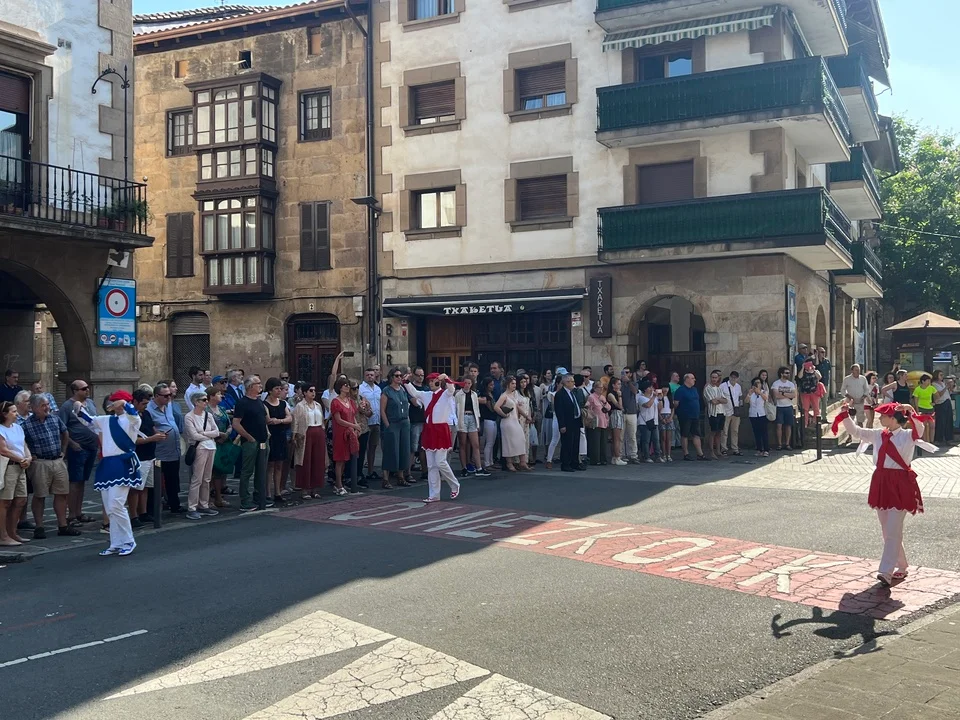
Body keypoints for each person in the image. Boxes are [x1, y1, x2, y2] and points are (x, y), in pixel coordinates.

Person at [834, 401, 934, 586]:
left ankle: (885, 571)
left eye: (883, 416)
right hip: (881, 482)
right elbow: (856, 431)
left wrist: (911, 410)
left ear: (893, 418)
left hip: (900, 484)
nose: (879, 418)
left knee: (893, 528)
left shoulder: (908, 435)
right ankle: (902, 565)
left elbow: (919, 429)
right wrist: (845, 414)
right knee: (888, 530)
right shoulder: (878, 434)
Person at [89, 391, 142, 556]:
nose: (112, 405)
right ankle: (116, 542)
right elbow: (87, 420)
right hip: (108, 464)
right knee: (109, 507)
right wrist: (78, 407)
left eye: (115, 402)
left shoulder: (132, 419)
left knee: (116, 505)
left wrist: (124, 404)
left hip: (122, 464)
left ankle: (129, 541)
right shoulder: (107, 420)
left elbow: (134, 415)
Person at [22, 394, 78, 539]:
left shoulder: (54, 419)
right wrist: (29, 454)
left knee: (62, 493)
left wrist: (63, 450)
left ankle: (63, 525)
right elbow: (22, 442)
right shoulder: (26, 425)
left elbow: (65, 432)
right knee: (40, 495)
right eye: (43, 405)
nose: (47, 407)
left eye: (47, 404)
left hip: (57, 460)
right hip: (40, 463)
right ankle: (39, 527)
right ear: (34, 408)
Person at [404, 372, 461, 502]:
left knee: (440, 462)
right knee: (431, 465)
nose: (431, 383)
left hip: (441, 430)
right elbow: (414, 392)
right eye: (429, 381)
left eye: (433, 380)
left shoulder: (446, 394)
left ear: (438, 382)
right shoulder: (427, 395)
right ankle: (434, 494)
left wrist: (446, 378)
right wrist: (406, 382)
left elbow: (451, 389)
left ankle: (454, 484)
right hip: (429, 430)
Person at [60, 380, 99, 525]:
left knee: (82, 481)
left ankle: (78, 512)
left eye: (87, 388)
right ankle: (71, 515)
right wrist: (71, 443)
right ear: (75, 391)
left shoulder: (91, 403)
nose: (87, 390)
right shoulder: (67, 406)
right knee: (75, 481)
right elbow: (62, 428)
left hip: (91, 446)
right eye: (83, 389)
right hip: (78, 447)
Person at [233, 376, 273, 511]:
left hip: (263, 441)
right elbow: (236, 423)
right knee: (247, 471)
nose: (260, 386)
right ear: (250, 387)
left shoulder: (259, 401)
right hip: (251, 441)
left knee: (261, 470)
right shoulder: (242, 403)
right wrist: (248, 437)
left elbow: (264, 419)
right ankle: (245, 500)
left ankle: (259, 496)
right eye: (258, 383)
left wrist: (267, 432)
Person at [130, 387, 166, 527]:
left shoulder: (146, 414)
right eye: (143, 403)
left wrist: (159, 434)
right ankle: (134, 515)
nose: (145, 406)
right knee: (136, 488)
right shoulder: (130, 418)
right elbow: (133, 439)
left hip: (150, 455)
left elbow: (152, 428)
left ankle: (143, 512)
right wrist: (152, 438)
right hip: (139, 456)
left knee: (146, 486)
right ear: (135, 402)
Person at [183, 390, 221, 520]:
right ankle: (192, 507)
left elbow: (216, 432)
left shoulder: (208, 415)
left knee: (207, 478)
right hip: (199, 448)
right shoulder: (189, 417)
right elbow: (193, 435)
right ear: (196, 402)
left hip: (211, 447)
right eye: (204, 400)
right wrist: (208, 435)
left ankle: (204, 504)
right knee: (197, 478)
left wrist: (204, 434)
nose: (206, 402)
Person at [147, 383, 184, 515]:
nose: (169, 397)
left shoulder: (168, 406)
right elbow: (147, 427)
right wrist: (156, 433)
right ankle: (152, 509)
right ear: (156, 396)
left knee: (173, 479)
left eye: (170, 395)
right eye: (166, 395)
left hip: (173, 449)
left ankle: (174, 504)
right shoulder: (149, 409)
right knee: (155, 482)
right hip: (159, 450)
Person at [0, 401, 31, 545]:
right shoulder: (1, 430)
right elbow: (4, 450)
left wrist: (28, 458)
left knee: (21, 500)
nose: (16, 414)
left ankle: (12, 532)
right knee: (5, 501)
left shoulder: (18, 428)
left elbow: (24, 445)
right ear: (4, 414)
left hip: (21, 467)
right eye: (13, 411)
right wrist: (20, 459)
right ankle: (3, 536)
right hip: (9, 467)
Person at [292, 383, 326, 498]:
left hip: (318, 432)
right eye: (311, 390)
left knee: (318, 460)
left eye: (314, 390)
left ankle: (315, 489)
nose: (313, 393)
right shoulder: (300, 406)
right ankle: (305, 489)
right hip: (306, 434)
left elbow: (322, 420)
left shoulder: (318, 405)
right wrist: (294, 436)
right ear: (305, 392)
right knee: (306, 461)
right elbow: (295, 422)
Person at [263, 377, 293, 504]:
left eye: (280, 388)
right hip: (271, 436)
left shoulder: (282, 403)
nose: (279, 391)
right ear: (270, 390)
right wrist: (281, 421)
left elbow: (289, 418)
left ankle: (278, 491)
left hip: (281, 435)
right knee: (270, 465)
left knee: (280, 464)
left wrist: (279, 421)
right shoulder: (265, 404)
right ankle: (268, 492)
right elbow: (268, 420)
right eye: (276, 388)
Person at [380, 367, 411, 489]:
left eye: (400, 376)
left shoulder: (402, 389)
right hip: (393, 423)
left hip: (404, 422)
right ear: (391, 377)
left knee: (403, 449)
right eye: (397, 376)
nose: (399, 378)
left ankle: (401, 476)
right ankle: (385, 479)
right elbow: (382, 410)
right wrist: (387, 424)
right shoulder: (387, 391)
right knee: (391, 450)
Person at [331, 377, 362, 496]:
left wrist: (356, 427)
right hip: (340, 433)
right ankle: (338, 485)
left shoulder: (350, 401)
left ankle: (341, 483)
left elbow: (352, 416)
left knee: (346, 459)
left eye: (348, 385)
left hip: (350, 433)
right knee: (339, 460)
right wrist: (353, 425)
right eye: (345, 385)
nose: (348, 387)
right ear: (340, 387)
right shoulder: (335, 402)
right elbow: (338, 420)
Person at [206, 386, 234, 508]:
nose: (221, 396)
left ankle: (219, 497)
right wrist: (218, 435)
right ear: (211, 396)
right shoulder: (206, 410)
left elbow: (229, 424)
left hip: (225, 442)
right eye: (218, 394)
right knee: (210, 472)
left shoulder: (222, 409)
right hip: (213, 442)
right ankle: (207, 498)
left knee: (220, 472)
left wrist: (227, 433)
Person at [494, 376, 530, 472]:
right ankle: (509, 463)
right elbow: (496, 407)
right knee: (508, 442)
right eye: (512, 383)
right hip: (507, 422)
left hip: (515, 420)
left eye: (515, 383)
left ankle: (522, 462)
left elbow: (517, 407)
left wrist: (526, 416)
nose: (514, 385)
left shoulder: (514, 394)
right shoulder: (504, 395)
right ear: (507, 384)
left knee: (521, 439)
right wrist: (503, 414)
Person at [553, 374, 584, 472]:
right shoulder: (560, 394)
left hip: (575, 421)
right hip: (567, 422)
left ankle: (575, 462)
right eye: (572, 381)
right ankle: (566, 464)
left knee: (575, 443)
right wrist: (562, 425)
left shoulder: (572, 393)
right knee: (567, 444)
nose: (574, 383)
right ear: (566, 382)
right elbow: (559, 411)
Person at [456, 377, 485, 477]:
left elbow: (476, 409)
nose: (467, 385)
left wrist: (478, 422)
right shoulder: (458, 394)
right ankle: (464, 467)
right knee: (462, 444)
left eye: (469, 383)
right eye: (465, 383)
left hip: (472, 417)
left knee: (475, 444)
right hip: (463, 417)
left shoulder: (474, 394)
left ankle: (479, 467)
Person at [674, 373, 705, 461]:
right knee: (685, 434)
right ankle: (686, 454)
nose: (694, 380)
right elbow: (676, 403)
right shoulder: (680, 390)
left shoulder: (694, 389)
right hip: (685, 416)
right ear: (686, 379)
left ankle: (700, 454)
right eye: (692, 378)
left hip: (695, 415)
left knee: (696, 434)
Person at [358, 368, 382, 482]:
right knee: (363, 447)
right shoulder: (360, 389)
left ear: (375, 376)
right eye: (367, 375)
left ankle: (371, 471)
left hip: (376, 421)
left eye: (372, 375)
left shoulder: (378, 389)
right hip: (365, 422)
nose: (370, 377)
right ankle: (359, 471)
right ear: (364, 376)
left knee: (373, 447)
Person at [840, 364, 870, 443]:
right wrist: (849, 397)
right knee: (850, 421)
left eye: (859, 370)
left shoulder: (863, 379)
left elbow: (867, 389)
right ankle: (849, 437)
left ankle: (861, 438)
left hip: (860, 402)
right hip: (851, 403)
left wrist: (863, 397)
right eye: (856, 370)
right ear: (852, 371)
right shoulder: (847, 379)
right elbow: (842, 390)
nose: (858, 371)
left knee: (860, 420)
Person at [584, 382, 610, 466]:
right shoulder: (591, 397)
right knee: (595, 441)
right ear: (595, 388)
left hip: (604, 421)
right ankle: (595, 459)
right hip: (596, 421)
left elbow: (608, 408)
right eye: (599, 388)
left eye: (602, 388)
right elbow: (588, 406)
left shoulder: (602, 397)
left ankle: (603, 459)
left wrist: (604, 402)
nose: (601, 389)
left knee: (603, 441)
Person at [771, 367, 797, 451]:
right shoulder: (776, 383)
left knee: (788, 425)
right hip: (779, 407)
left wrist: (782, 393)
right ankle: (779, 444)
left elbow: (794, 395)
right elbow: (776, 395)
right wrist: (788, 395)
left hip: (788, 406)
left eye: (789, 373)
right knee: (779, 425)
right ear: (781, 374)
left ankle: (787, 444)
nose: (788, 374)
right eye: (786, 373)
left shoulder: (791, 384)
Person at [703, 370, 727, 460]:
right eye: (712, 377)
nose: (714, 379)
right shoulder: (708, 388)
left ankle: (718, 450)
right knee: (713, 432)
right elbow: (713, 401)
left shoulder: (719, 388)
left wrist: (718, 399)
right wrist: (720, 399)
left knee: (719, 432)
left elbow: (725, 400)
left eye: (715, 377)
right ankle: (711, 451)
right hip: (713, 413)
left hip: (721, 412)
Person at [720, 371, 743, 456]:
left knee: (735, 431)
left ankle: (735, 448)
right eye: (732, 377)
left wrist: (740, 406)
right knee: (724, 431)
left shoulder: (738, 386)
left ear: (737, 378)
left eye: (735, 377)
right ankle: (723, 448)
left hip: (735, 412)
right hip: (725, 411)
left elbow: (740, 397)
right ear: (729, 377)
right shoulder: (723, 386)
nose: (733, 379)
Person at [478, 377, 499, 472]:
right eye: (491, 385)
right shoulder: (485, 395)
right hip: (487, 419)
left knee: (492, 442)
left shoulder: (491, 394)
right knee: (489, 442)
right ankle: (487, 463)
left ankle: (491, 462)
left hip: (492, 419)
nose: (492, 386)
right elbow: (491, 408)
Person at [638, 384, 663, 463]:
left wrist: (660, 399)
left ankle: (658, 456)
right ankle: (646, 456)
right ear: (645, 389)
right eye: (649, 387)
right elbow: (648, 405)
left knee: (656, 440)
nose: (651, 389)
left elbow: (660, 408)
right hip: (645, 421)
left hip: (654, 421)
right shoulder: (641, 398)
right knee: (646, 440)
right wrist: (654, 397)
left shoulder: (654, 398)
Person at [912, 374, 937, 445]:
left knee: (932, 425)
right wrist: (917, 410)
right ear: (923, 381)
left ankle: (932, 441)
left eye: (929, 380)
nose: (929, 382)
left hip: (930, 408)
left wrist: (934, 402)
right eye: (927, 380)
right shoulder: (917, 389)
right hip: (921, 408)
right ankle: (925, 442)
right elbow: (916, 401)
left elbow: (937, 395)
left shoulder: (931, 388)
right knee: (924, 426)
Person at [797, 361, 823, 429]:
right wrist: (803, 367)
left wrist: (813, 370)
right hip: (805, 393)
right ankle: (805, 423)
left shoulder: (816, 371)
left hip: (814, 392)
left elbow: (819, 377)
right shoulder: (803, 372)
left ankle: (816, 422)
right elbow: (799, 376)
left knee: (816, 408)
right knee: (805, 409)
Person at [748, 378, 770, 457]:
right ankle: (759, 449)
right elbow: (746, 401)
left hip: (761, 414)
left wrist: (759, 392)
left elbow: (766, 398)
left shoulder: (764, 392)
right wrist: (749, 394)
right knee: (756, 433)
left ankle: (766, 450)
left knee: (764, 432)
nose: (757, 384)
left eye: (759, 383)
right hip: (753, 414)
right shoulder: (751, 393)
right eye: (755, 383)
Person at [932, 370, 954, 444]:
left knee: (949, 420)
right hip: (940, 403)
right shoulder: (934, 384)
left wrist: (950, 386)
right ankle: (938, 439)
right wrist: (946, 387)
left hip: (947, 401)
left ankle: (949, 438)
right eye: (940, 375)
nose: (942, 376)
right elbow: (939, 394)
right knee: (941, 421)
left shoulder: (942, 383)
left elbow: (949, 392)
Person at [606, 377, 625, 466]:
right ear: (613, 385)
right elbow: (619, 406)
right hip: (615, 414)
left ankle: (614, 457)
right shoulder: (611, 394)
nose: (620, 386)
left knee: (616, 438)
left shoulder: (616, 393)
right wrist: (620, 396)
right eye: (618, 384)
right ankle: (617, 457)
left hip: (619, 414)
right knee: (616, 438)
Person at [659, 385, 674, 462]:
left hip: (669, 416)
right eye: (664, 387)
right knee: (663, 437)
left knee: (669, 437)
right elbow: (658, 409)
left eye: (667, 388)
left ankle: (669, 454)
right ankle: (664, 454)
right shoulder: (659, 398)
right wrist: (661, 418)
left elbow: (672, 408)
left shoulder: (670, 398)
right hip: (662, 416)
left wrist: (671, 417)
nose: (665, 389)